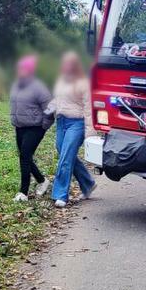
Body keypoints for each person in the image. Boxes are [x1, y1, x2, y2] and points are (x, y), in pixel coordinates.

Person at [49, 51, 96, 208]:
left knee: (66, 158)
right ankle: (88, 183)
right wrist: (44, 114)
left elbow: (89, 108)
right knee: (64, 154)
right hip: (61, 122)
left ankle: (60, 194)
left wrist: (90, 133)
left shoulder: (83, 83)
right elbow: (56, 100)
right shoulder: (61, 81)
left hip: (77, 123)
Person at [9, 55, 52, 201]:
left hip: (35, 127)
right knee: (25, 156)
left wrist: (44, 126)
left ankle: (23, 193)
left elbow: (50, 108)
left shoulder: (38, 87)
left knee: (25, 157)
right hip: (20, 126)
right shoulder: (16, 84)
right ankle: (42, 181)